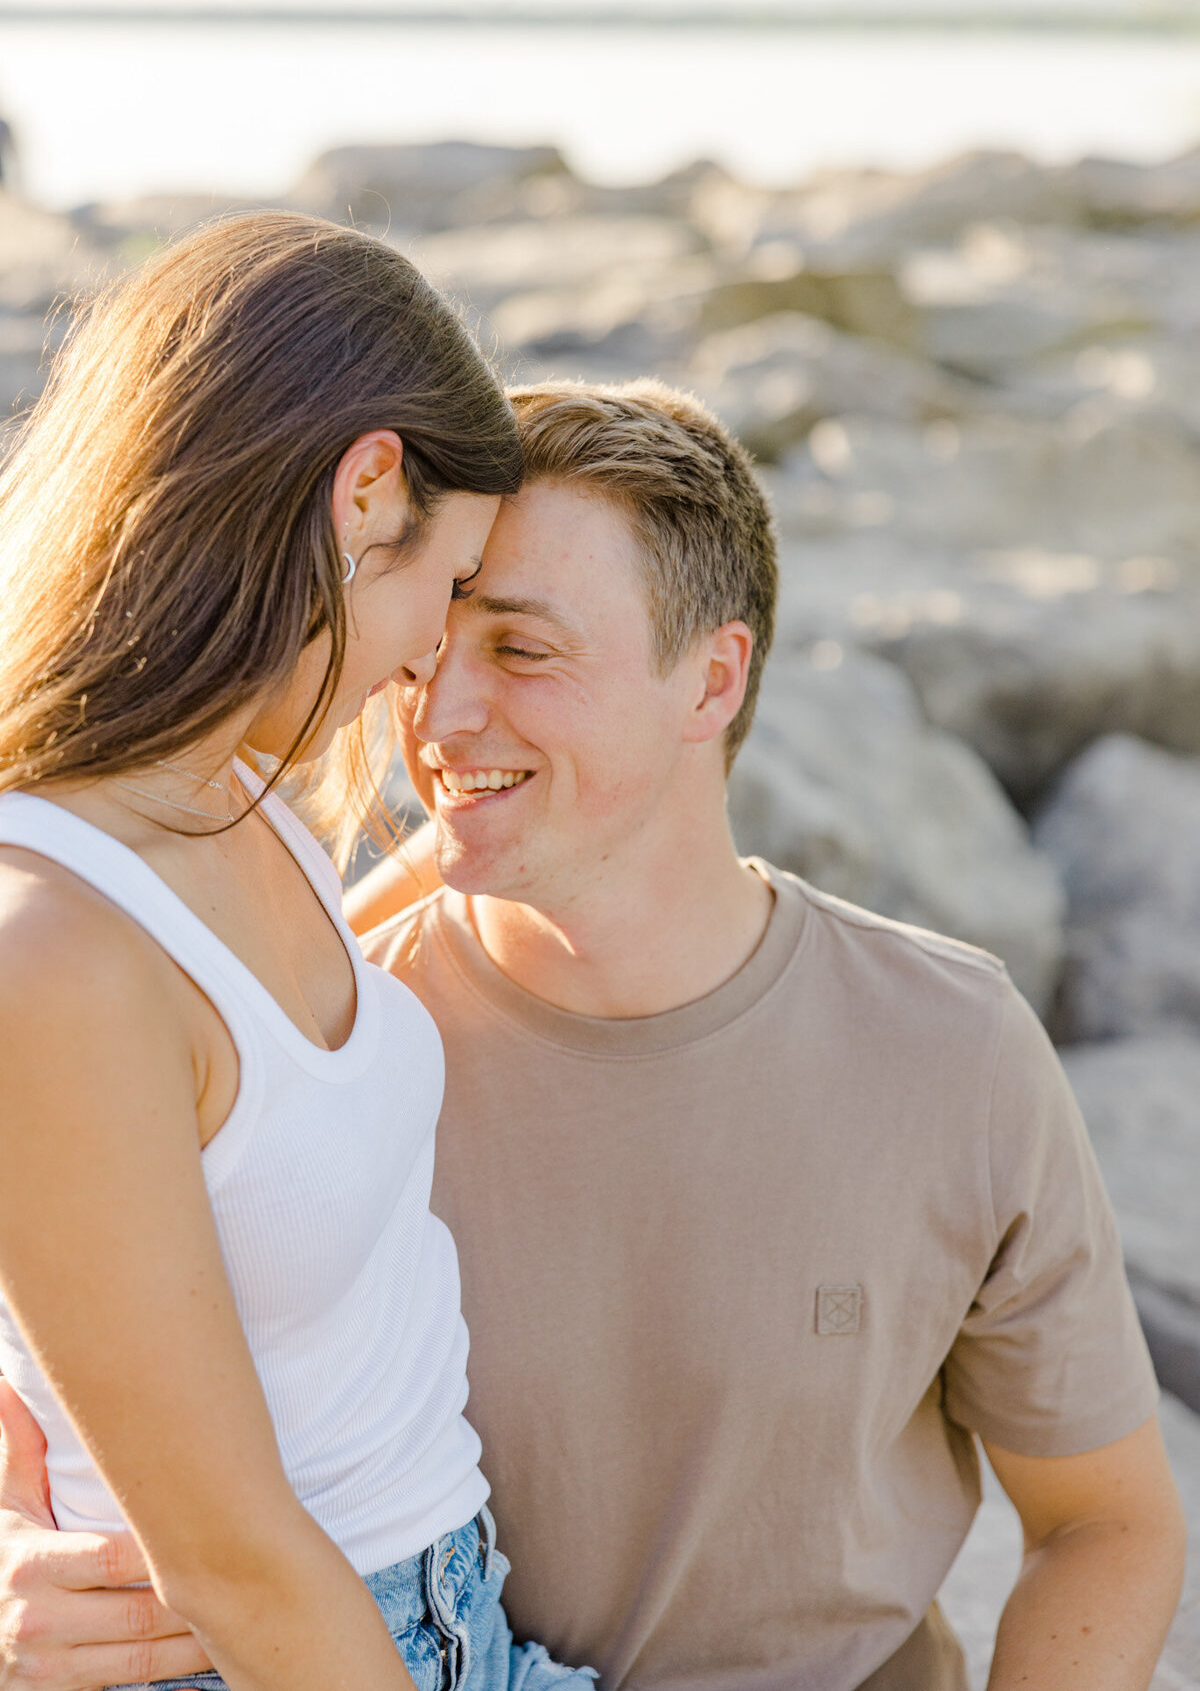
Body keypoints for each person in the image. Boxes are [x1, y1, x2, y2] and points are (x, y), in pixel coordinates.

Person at [0, 378, 1188, 1690]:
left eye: (520, 650)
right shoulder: (327, 1057)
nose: (437, 716)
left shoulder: (951, 1045)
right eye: (434, 640)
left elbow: (1107, 1522)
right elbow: (62, 1368)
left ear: (713, 679)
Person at [0, 217, 597, 1691]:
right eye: (448, 587)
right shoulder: (60, 946)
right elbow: (236, 1561)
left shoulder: (248, 792)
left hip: (461, 1611)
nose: (435, 659)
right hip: (280, 1656)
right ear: (364, 490)